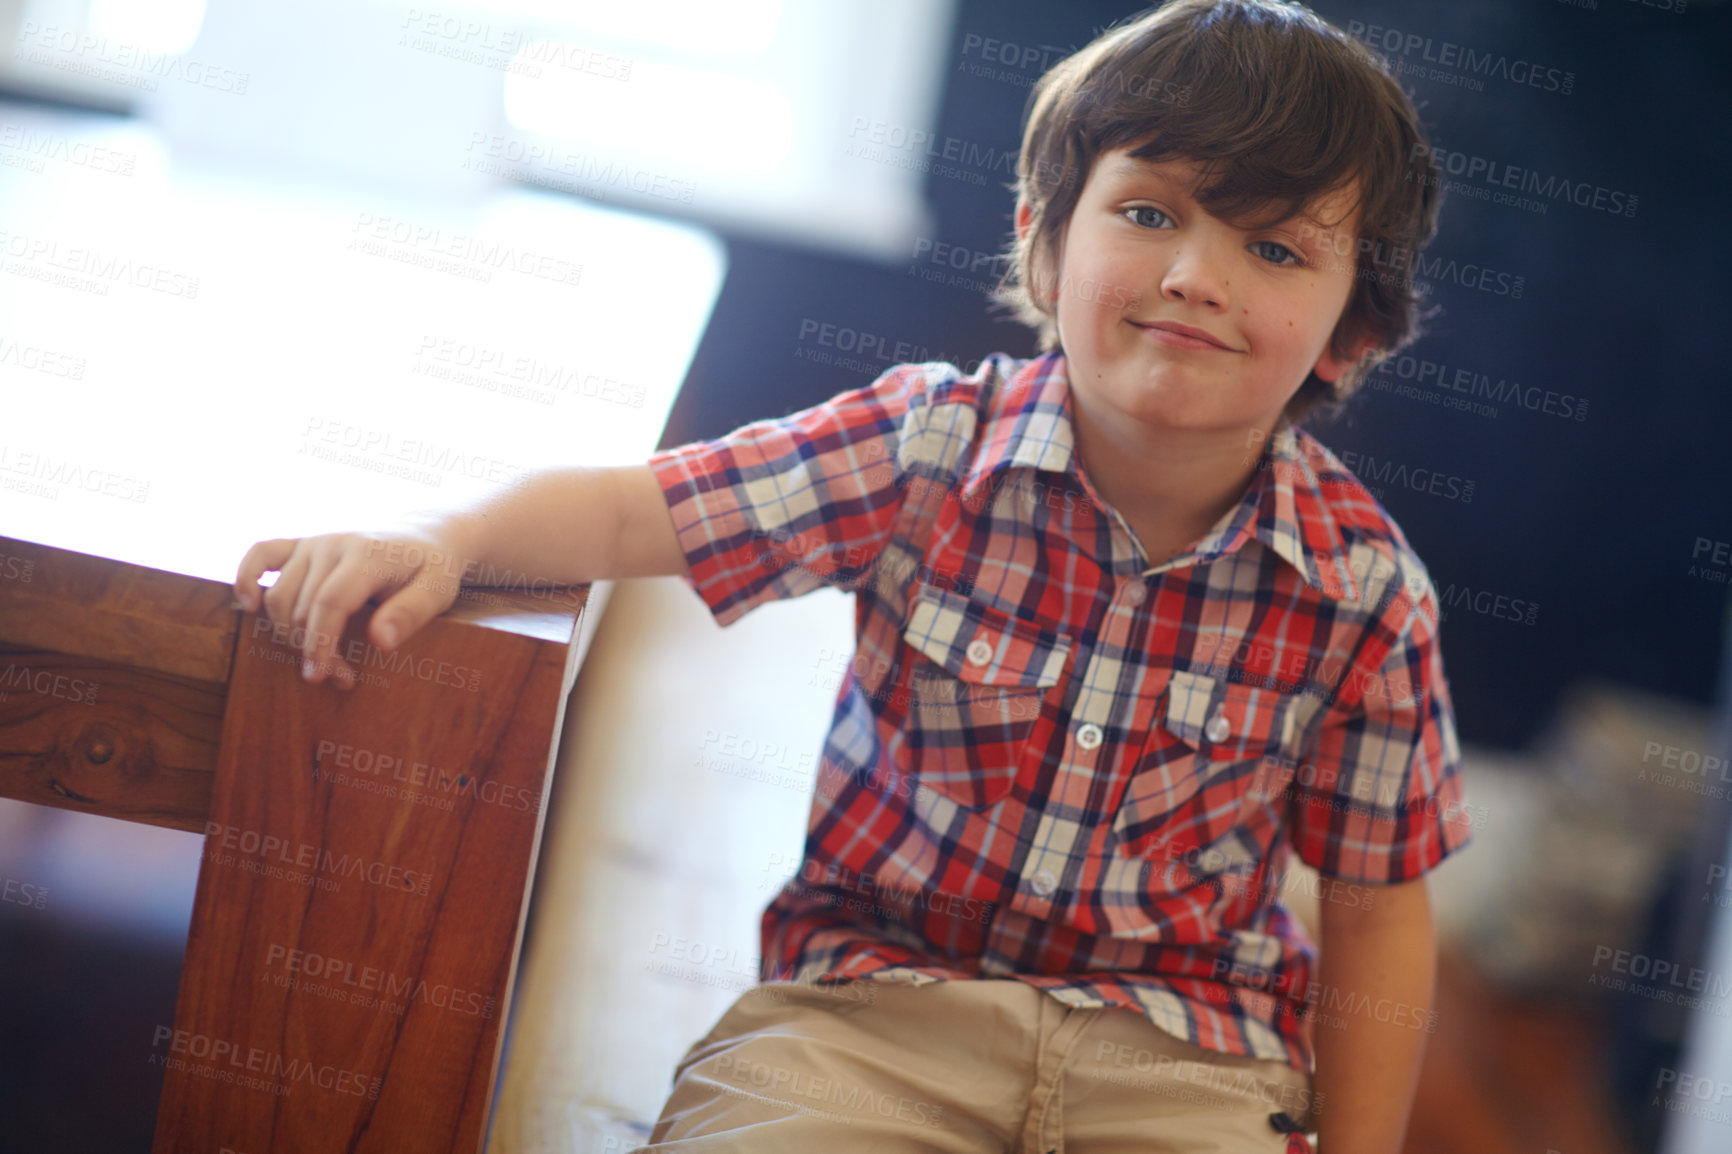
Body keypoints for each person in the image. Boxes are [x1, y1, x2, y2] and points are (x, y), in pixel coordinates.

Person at [235, 0, 1475, 1149]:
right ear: (1043, 245)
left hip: (1188, 1063)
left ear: (1353, 329)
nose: (1196, 276)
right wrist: (442, 536)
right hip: (868, 1017)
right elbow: (630, 513)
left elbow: (1375, 911)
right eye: (1149, 213)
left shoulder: (1364, 591)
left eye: (1272, 247)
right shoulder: (924, 447)